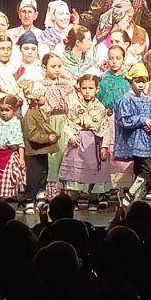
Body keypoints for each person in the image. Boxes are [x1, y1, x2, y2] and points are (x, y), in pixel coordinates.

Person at [60, 74, 113, 210]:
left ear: (97, 89)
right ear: (79, 89)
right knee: (75, 171)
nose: (87, 91)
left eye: (90, 88)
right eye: (84, 88)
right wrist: (71, 136)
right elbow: (68, 124)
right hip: (78, 142)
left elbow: (105, 128)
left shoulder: (100, 108)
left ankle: (94, 198)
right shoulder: (76, 107)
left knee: (94, 169)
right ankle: (73, 199)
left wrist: (105, 146)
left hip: (94, 142)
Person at [113, 63, 151, 205]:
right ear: (131, 81)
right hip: (134, 140)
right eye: (137, 81)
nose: (140, 85)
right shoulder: (126, 99)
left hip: (145, 140)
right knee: (148, 171)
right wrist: (142, 120)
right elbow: (123, 119)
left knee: (142, 171)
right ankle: (130, 195)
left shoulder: (146, 99)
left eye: (143, 82)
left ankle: (135, 200)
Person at [21, 81, 59, 215]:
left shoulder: (39, 112)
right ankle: (29, 199)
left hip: (42, 150)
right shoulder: (30, 115)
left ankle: (40, 195)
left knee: (43, 172)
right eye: (42, 96)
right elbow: (31, 134)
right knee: (33, 175)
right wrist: (47, 138)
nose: (45, 98)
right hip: (33, 151)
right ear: (36, 99)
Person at [41, 53, 75, 199]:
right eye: (53, 66)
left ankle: (66, 191)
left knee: (66, 153)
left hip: (65, 121)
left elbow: (73, 105)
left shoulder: (66, 85)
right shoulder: (40, 85)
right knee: (52, 155)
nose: (57, 69)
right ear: (44, 67)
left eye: (59, 66)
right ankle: (51, 191)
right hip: (48, 121)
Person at [0, 95, 26, 201]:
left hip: (9, 153)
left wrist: (21, 159)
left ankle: (5, 195)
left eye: (7, 110)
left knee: (7, 174)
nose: (4, 113)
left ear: (14, 110)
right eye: (2, 110)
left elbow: (20, 143)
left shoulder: (15, 123)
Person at [97, 45, 131, 111]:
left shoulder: (128, 79)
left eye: (118, 58)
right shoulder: (102, 79)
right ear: (107, 60)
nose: (114, 62)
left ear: (124, 59)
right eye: (111, 58)